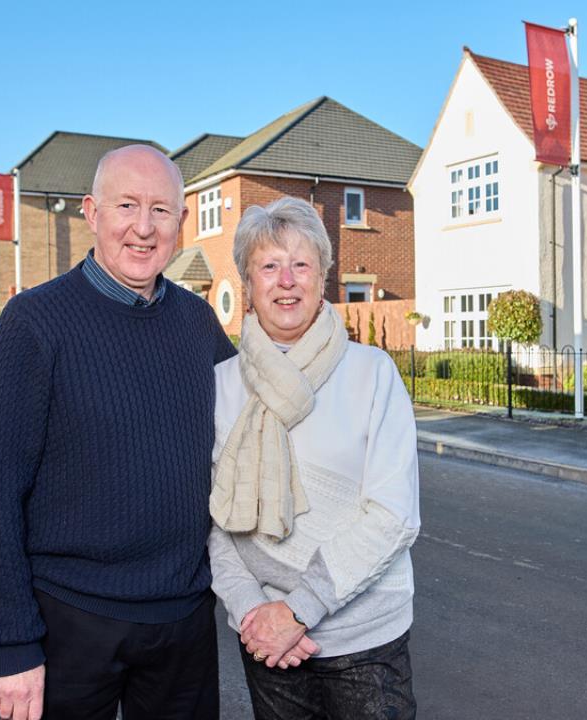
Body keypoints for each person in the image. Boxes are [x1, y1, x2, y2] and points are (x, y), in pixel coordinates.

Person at [0, 145, 235, 720]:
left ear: (182, 222)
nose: (143, 227)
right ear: (91, 211)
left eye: (161, 210)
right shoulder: (34, 323)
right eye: (127, 205)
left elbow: (250, 443)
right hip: (69, 621)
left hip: (182, 621)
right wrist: (11, 646)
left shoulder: (198, 323)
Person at [208, 197, 421, 719]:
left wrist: (299, 610)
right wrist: (253, 611)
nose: (286, 280)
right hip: (265, 640)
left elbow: (394, 515)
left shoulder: (372, 374)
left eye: (300, 264)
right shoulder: (221, 385)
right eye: (269, 266)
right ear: (248, 283)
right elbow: (214, 523)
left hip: (366, 642)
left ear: (322, 278)